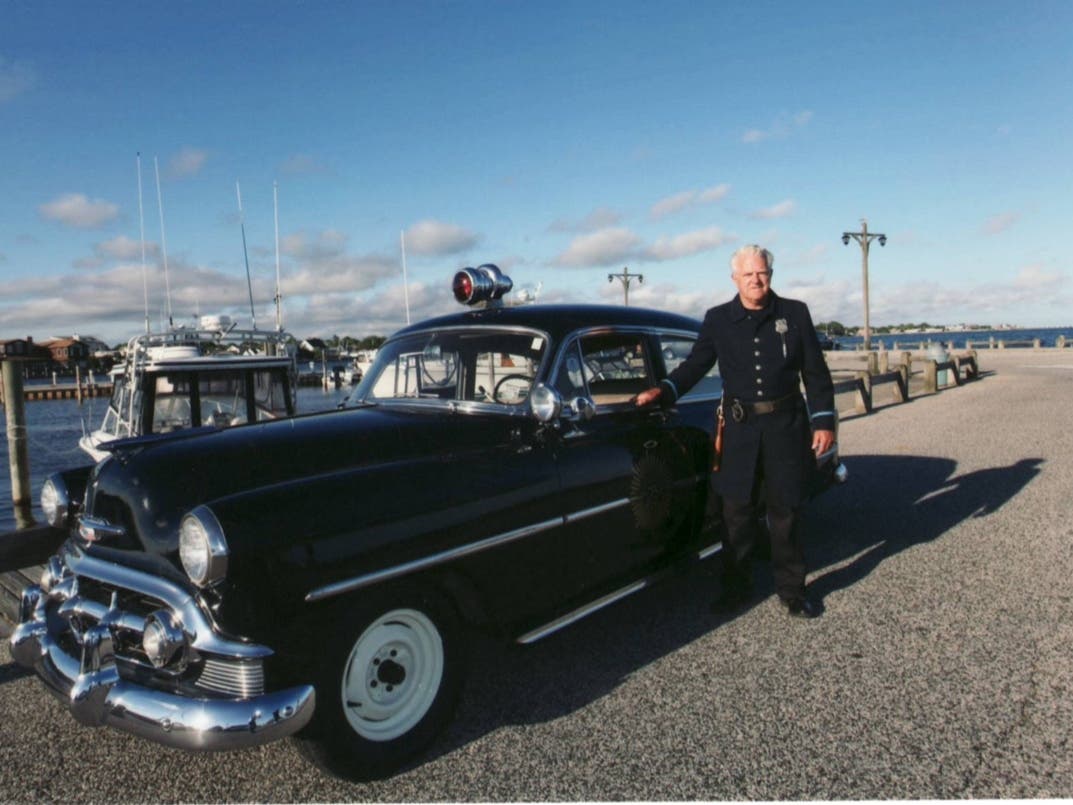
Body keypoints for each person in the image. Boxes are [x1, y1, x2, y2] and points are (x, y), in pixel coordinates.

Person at [634, 245, 835, 619]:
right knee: (736, 513)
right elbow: (695, 365)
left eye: (762, 273)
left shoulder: (795, 313)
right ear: (735, 279)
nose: (756, 281)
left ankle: (792, 591)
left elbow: (816, 373)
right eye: (748, 275)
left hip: (786, 427)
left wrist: (824, 421)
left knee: (785, 511)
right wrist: (664, 390)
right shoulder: (717, 319)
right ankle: (736, 588)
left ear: (770, 275)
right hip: (740, 431)